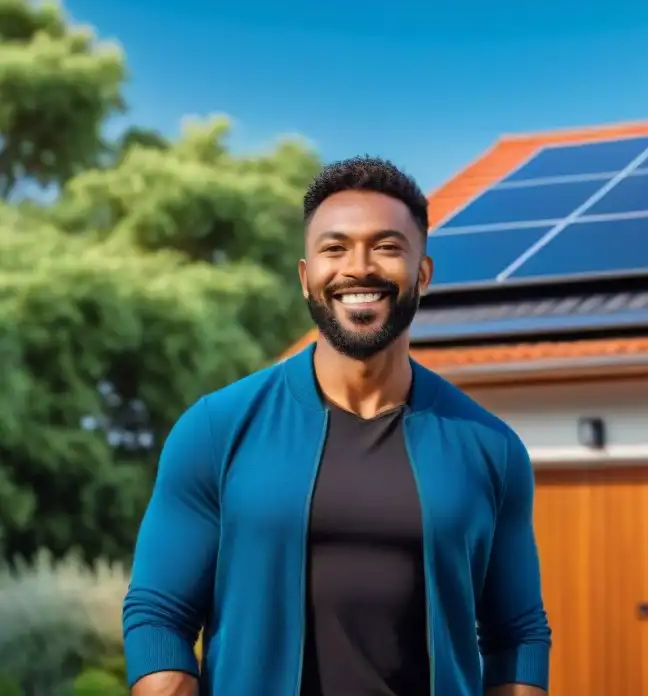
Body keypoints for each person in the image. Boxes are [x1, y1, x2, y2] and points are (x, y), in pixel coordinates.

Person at [122, 157, 551, 695]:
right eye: (335, 247)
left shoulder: (492, 449)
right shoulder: (215, 430)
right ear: (307, 278)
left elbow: (518, 635)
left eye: (387, 247)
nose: (359, 267)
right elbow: (159, 614)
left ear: (422, 274)